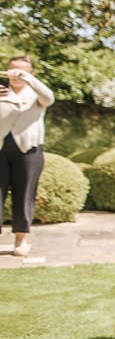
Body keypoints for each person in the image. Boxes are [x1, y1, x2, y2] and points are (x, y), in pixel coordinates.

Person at [0, 56, 55, 257]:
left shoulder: (37, 94)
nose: (15, 75)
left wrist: (28, 80)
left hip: (28, 150)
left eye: (22, 71)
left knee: (24, 195)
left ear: (32, 74)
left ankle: (21, 240)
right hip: (0, 149)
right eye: (12, 70)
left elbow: (49, 98)